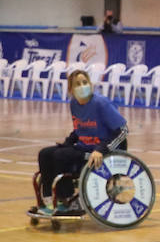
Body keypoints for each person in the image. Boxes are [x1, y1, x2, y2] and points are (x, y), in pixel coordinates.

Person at [32, 69, 128, 215]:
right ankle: (49, 198)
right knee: (45, 153)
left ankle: (65, 198)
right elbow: (79, 130)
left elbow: (123, 131)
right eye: (77, 84)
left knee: (61, 156)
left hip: (103, 150)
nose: (82, 86)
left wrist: (101, 150)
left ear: (90, 84)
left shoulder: (100, 103)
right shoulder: (74, 104)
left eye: (85, 82)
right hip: (85, 148)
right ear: (71, 89)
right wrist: (66, 143)